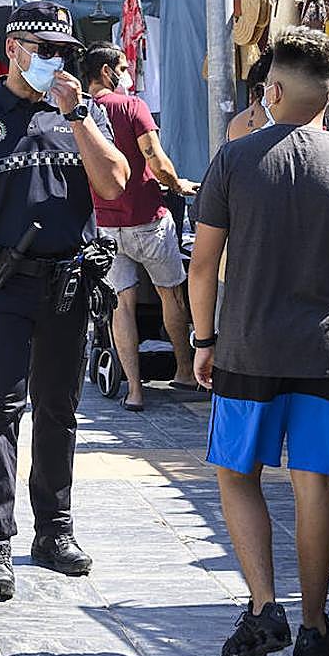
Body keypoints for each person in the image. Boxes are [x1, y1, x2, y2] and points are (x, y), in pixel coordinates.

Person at [189, 27, 329, 656]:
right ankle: (313, 623)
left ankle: (262, 606)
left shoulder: (235, 160)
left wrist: (203, 338)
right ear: (328, 96)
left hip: (246, 347)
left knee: (236, 472)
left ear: (272, 91)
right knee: (316, 484)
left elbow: (203, 265)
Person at [0, 1, 128, 601]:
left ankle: (54, 530)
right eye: (44, 51)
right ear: (13, 49)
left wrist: (79, 113)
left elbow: (114, 184)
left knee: (61, 411)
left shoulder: (82, 114)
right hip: (0, 286)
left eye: (64, 53)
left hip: (67, 282)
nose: (56, 62)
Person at [82, 42, 199, 410]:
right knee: (171, 294)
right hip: (147, 217)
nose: (127, 73)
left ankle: (134, 390)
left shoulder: (77, 112)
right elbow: (156, 158)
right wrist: (177, 184)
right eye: (123, 66)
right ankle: (183, 371)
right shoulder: (132, 107)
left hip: (105, 223)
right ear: (107, 71)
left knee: (121, 306)